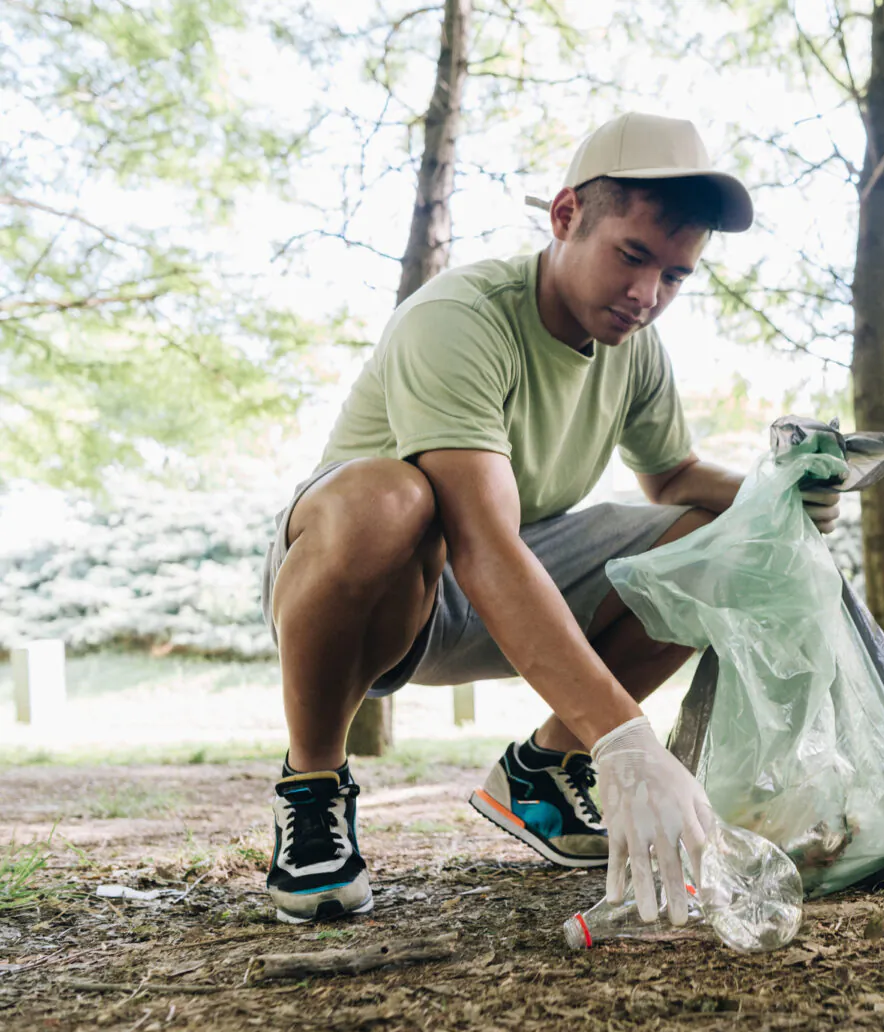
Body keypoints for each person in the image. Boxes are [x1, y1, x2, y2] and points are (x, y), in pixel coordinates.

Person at [258, 113, 841, 925]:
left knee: (727, 540)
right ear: (566, 217)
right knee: (395, 498)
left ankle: (543, 772)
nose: (647, 296)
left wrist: (778, 496)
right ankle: (314, 783)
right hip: (377, 578)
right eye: (632, 256)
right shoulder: (461, 317)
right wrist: (629, 741)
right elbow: (481, 540)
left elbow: (672, 475)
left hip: (510, 567)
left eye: (675, 276)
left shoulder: (633, 347)